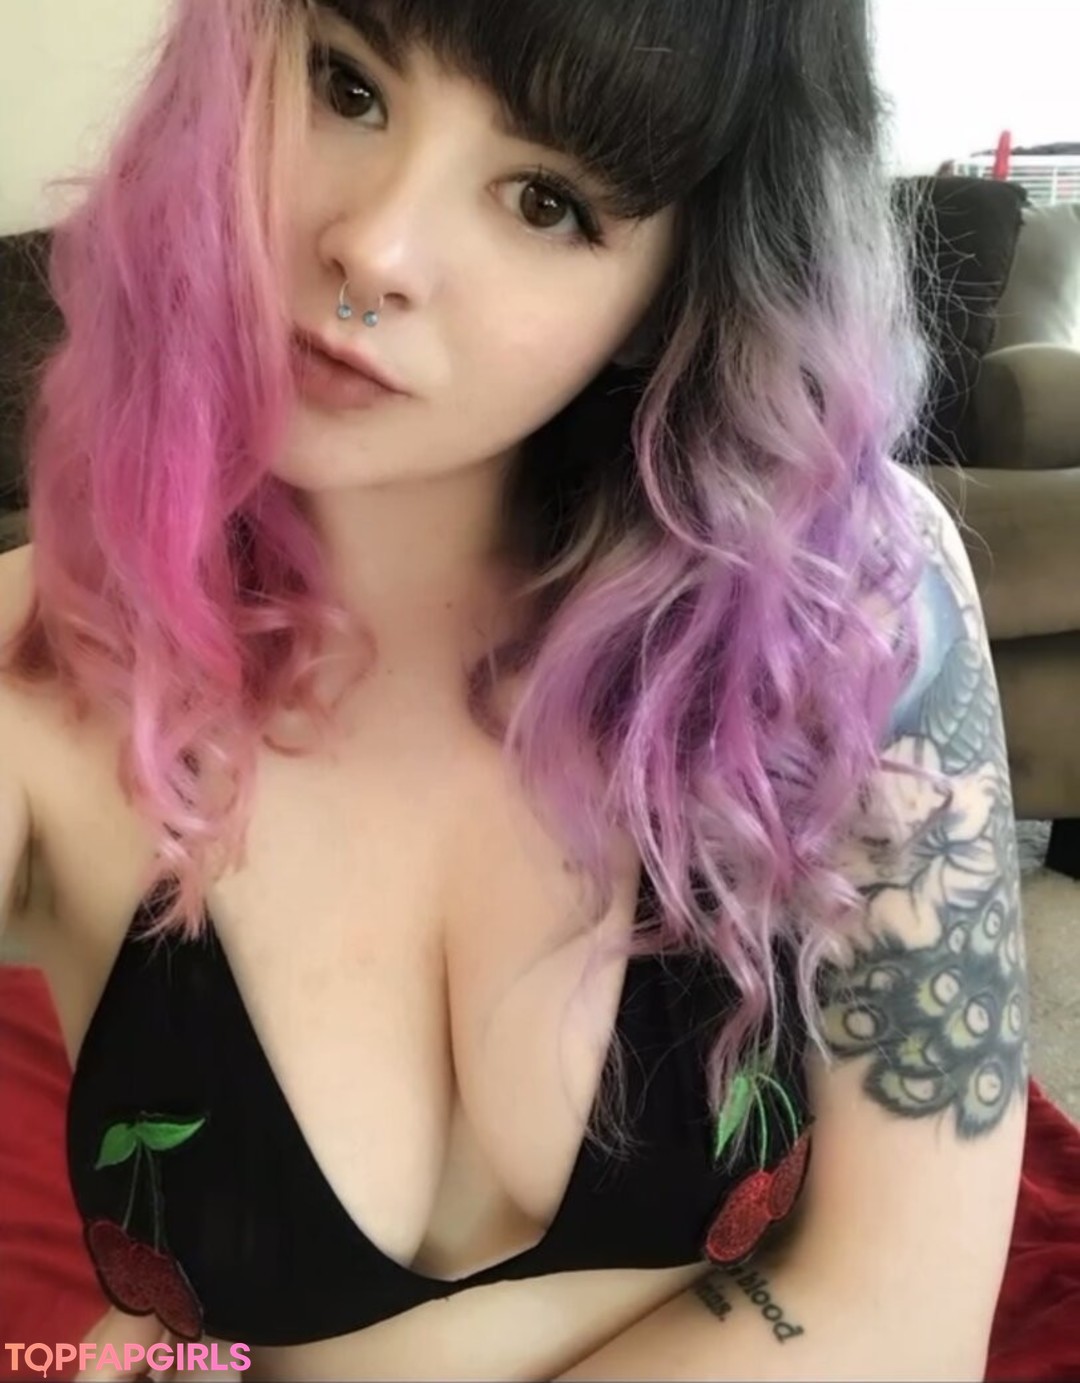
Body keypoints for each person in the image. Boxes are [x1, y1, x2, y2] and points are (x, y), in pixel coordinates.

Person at [0, 0, 1028, 1378]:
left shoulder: (844, 607)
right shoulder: (33, 668)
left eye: (547, 200)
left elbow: (901, 1314)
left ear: (678, 282)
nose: (376, 249)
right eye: (347, 85)